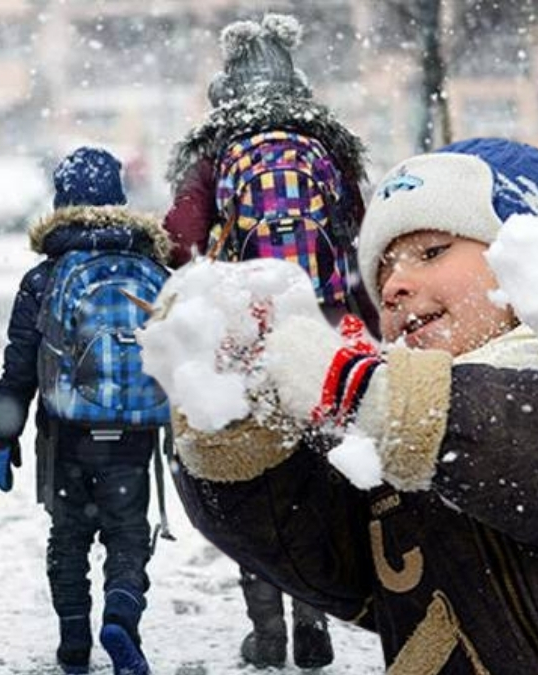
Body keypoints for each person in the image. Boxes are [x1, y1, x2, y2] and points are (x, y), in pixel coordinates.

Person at [168, 137, 538, 673]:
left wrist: (367, 394)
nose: (394, 286)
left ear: (536, 259)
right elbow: (305, 546)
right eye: (382, 272)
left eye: (431, 252)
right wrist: (232, 419)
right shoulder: (396, 447)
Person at [162, 12, 369, 668]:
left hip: (247, 326)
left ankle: (268, 625)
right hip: (325, 323)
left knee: (253, 470)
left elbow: (179, 238)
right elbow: (360, 234)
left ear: (228, 87)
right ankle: (314, 614)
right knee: (316, 467)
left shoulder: (216, 149)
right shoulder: (328, 146)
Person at [0, 147, 173, 675]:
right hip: (134, 430)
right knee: (127, 532)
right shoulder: (151, 268)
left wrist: (6, 435)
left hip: (65, 432)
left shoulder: (44, 278)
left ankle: (74, 638)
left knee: (67, 535)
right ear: (119, 199)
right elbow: (178, 356)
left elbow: (19, 366)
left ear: (62, 201)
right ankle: (121, 615)